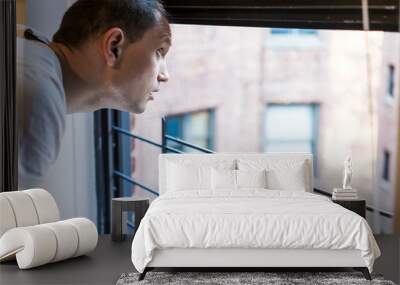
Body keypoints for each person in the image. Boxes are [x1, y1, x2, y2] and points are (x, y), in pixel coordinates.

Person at [17, 0, 171, 188]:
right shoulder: (37, 97)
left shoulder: (25, 44)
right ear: (114, 47)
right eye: (159, 51)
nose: (165, 75)